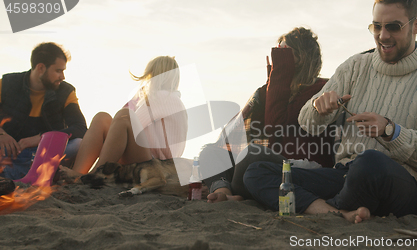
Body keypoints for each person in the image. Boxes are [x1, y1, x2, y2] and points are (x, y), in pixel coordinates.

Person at [244, 0, 417, 223]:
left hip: (398, 183)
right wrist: (319, 108)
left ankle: (327, 205)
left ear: (416, 26)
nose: (383, 36)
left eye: (393, 27)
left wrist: (390, 131)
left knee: (370, 163)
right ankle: (333, 212)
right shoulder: (355, 65)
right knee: (256, 172)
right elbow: (307, 122)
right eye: (376, 26)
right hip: (344, 175)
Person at [202, 27, 339, 203]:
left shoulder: (320, 89)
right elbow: (252, 128)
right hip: (269, 161)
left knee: (251, 154)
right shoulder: (275, 89)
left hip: (301, 166)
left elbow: (275, 128)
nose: (277, 56)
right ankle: (224, 193)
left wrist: (278, 77)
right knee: (210, 152)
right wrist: (272, 83)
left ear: (300, 57)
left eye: (283, 52)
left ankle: (237, 195)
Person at [60, 55, 188, 180]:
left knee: (123, 116)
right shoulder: (173, 100)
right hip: (153, 162)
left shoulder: (162, 97)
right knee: (102, 118)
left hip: (156, 166)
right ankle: (77, 174)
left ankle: (92, 175)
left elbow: (131, 123)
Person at [0, 42, 87, 180]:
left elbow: (80, 128)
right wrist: (2, 134)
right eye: (58, 71)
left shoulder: (66, 92)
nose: (62, 77)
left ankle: (39, 173)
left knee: (78, 144)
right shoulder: (6, 84)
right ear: (40, 67)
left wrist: (41, 138)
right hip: (9, 152)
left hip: (45, 155)